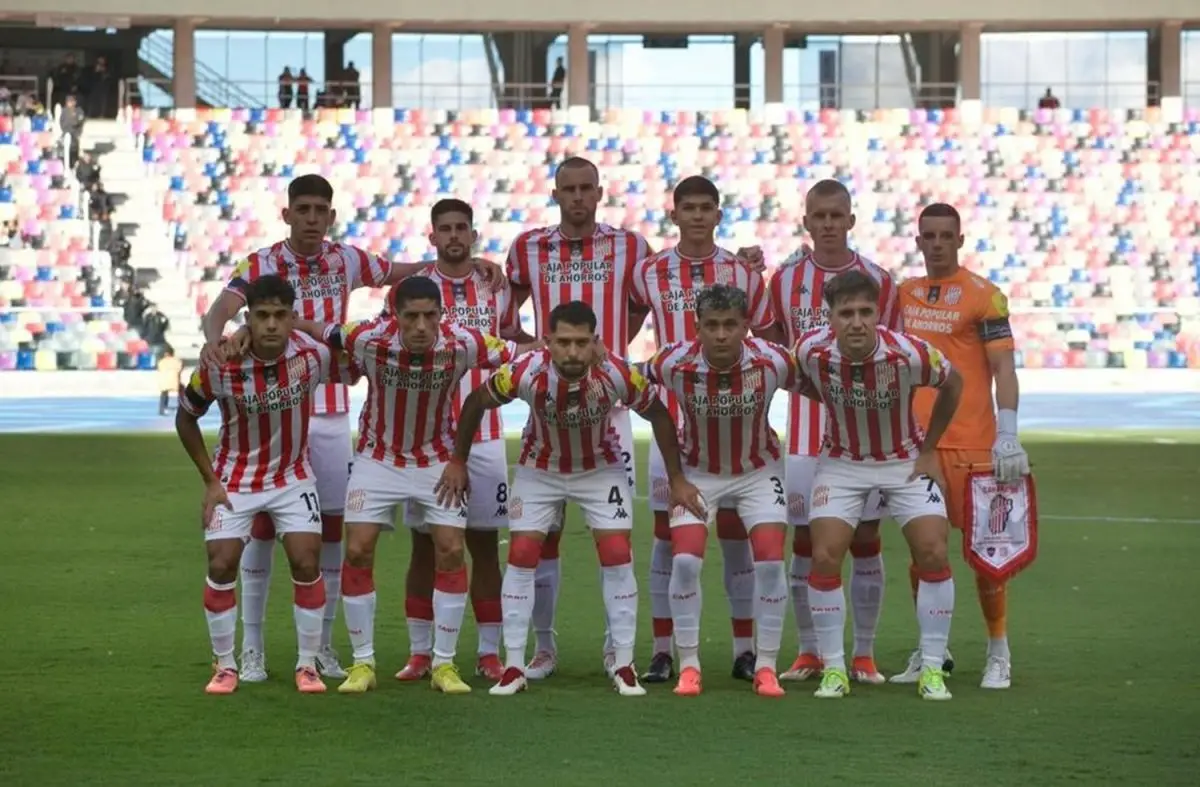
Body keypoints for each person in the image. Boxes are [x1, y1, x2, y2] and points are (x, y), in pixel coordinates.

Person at [200, 174, 504, 685]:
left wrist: (466, 263)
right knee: (258, 527)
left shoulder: (347, 259)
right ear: (287, 214)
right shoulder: (260, 263)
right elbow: (221, 311)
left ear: (331, 215)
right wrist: (218, 340)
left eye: (320, 210)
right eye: (303, 210)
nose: (312, 219)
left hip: (330, 408)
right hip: (275, 403)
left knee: (331, 533)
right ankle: (250, 648)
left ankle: (321, 648)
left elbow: (405, 273)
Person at [505, 155, 764, 679]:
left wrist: (610, 360)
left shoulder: (632, 250)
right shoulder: (527, 247)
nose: (578, 197)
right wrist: (538, 346)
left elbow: (641, 309)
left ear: (600, 193)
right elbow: (505, 310)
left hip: (616, 409)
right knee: (543, 534)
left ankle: (620, 650)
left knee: (624, 537)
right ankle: (544, 648)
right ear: (555, 194)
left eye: (587, 188)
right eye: (569, 189)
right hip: (550, 408)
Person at [439, 300, 700, 697]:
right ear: (547, 341)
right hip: (539, 469)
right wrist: (458, 460)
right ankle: (516, 665)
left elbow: (659, 415)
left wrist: (677, 479)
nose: (573, 352)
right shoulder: (526, 371)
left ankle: (623, 663)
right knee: (522, 554)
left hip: (600, 468)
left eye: (581, 342)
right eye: (563, 342)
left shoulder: (616, 372)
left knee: (616, 553)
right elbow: (476, 401)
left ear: (596, 341)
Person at [299, 276, 531, 695]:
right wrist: (265, 327)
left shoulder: (463, 342)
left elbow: (524, 353)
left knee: (451, 549)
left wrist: (587, 349)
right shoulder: (367, 337)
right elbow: (319, 329)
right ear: (395, 315)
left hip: (437, 460)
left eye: (429, 316)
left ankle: (444, 664)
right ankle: (363, 663)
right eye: (411, 317)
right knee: (357, 548)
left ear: (442, 315)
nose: (421, 326)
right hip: (378, 459)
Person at [629, 175, 774, 683]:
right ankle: (663, 651)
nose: (696, 215)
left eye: (705, 207)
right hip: (671, 428)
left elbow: (768, 337)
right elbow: (627, 325)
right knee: (666, 540)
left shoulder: (743, 272)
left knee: (736, 537)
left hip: (733, 428)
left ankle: (744, 651)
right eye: (687, 208)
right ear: (674, 215)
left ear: (718, 214)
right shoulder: (648, 272)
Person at [794, 269, 964, 701]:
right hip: (842, 463)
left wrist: (930, 449)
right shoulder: (811, 350)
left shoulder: (909, 353)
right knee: (824, 555)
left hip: (904, 461)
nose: (857, 322)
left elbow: (954, 382)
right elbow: (798, 380)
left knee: (933, 550)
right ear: (830, 317)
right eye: (846, 313)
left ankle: (932, 668)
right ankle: (835, 669)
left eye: (865, 312)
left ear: (878, 314)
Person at [762, 178, 907, 684]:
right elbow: (775, 350)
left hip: (866, 441)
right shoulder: (784, 280)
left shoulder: (879, 280)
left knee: (866, 539)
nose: (827, 225)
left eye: (835, 216)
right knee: (806, 543)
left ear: (851, 220)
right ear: (806, 222)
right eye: (818, 217)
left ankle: (863, 653)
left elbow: (894, 352)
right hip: (805, 437)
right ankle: (810, 650)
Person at [384, 199, 532, 684]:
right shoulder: (412, 289)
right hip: (426, 441)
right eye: (444, 228)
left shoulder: (494, 286)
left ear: (472, 234)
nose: (453, 235)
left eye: (460, 228)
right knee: (425, 548)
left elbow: (512, 338)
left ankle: (488, 653)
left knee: (484, 546)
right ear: (432, 236)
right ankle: (420, 653)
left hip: (485, 435)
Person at [175, 275, 336, 695]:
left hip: (292, 476)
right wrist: (210, 481)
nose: (271, 324)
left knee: (307, 561)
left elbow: (352, 354)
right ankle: (226, 665)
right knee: (220, 564)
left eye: (280, 315)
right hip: (234, 478)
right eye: (262, 316)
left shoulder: (313, 356)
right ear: (247, 318)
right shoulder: (220, 364)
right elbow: (185, 417)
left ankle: (307, 666)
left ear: (292, 318)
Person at [893, 202, 1030, 689]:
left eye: (945, 235)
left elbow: (1003, 368)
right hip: (921, 447)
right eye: (928, 236)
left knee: (989, 557)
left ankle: (999, 651)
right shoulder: (902, 295)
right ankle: (934, 650)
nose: (936, 244)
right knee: (924, 552)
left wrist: (1008, 433)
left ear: (959, 240)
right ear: (917, 241)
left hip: (974, 446)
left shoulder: (984, 296)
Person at [639, 284, 796, 698]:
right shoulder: (674, 361)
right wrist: (676, 478)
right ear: (698, 327)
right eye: (712, 325)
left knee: (769, 565)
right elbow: (630, 379)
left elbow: (820, 385)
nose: (721, 334)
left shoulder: (774, 360)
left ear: (746, 326)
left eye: (730, 325)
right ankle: (689, 665)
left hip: (759, 472)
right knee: (685, 562)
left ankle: (765, 666)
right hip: (699, 474)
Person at [157, 347, 182, 415]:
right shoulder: (176, 361)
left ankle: (162, 409)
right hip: (174, 380)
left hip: (164, 381)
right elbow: (179, 368)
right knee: (181, 393)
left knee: (164, 394)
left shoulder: (161, 361)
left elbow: (159, 368)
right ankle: (180, 408)